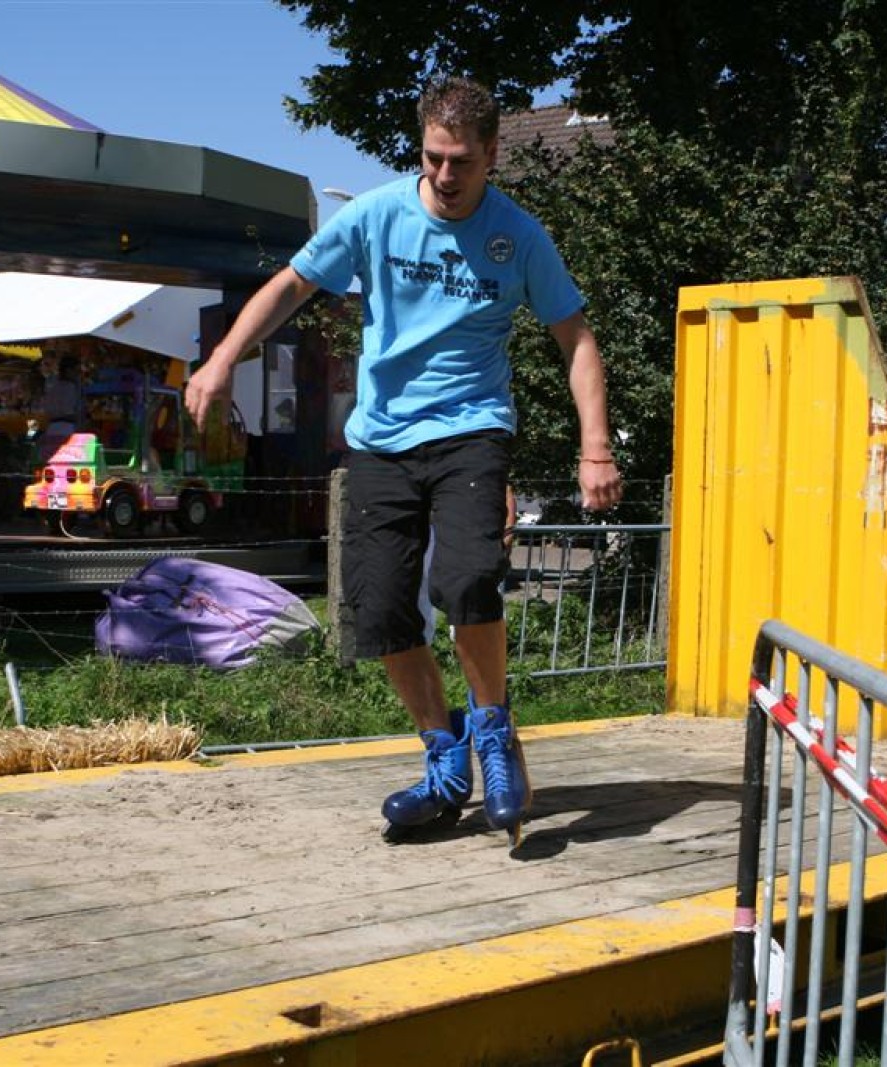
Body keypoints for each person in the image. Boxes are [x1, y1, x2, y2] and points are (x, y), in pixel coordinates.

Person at [184, 76, 621, 847]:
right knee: (380, 608)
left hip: (471, 432)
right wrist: (221, 359)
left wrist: (596, 448)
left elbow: (576, 338)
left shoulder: (517, 236)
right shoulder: (376, 215)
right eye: (432, 158)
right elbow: (291, 284)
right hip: (383, 440)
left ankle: (493, 731)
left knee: (468, 579)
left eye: (462, 162)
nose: (445, 176)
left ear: (492, 155)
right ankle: (444, 756)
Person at [38, 356, 83, 462]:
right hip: (67, 427)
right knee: (67, 463)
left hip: (52, 428)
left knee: (51, 462)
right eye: (76, 371)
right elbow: (73, 410)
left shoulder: (51, 384)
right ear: (68, 370)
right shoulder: (72, 386)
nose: (78, 374)